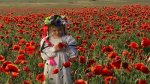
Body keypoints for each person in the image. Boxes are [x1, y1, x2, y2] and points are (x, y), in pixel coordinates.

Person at [40, 14, 78, 84]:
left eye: (60, 30)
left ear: (64, 28)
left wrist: (67, 48)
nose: (57, 32)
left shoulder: (69, 39)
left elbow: (74, 55)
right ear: (50, 30)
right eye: (54, 30)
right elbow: (44, 56)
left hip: (63, 65)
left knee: (63, 79)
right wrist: (54, 49)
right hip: (51, 66)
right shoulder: (46, 40)